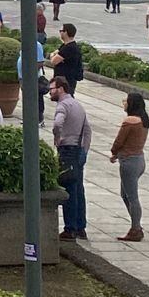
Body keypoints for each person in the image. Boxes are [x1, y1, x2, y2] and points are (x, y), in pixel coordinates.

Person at [51, 76, 92, 241]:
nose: (50, 93)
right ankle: (81, 226)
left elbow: (57, 124)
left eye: (52, 89)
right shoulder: (77, 105)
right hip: (78, 151)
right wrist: (84, 150)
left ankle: (70, 229)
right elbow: (88, 130)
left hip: (67, 151)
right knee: (78, 189)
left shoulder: (63, 106)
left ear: (61, 89)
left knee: (68, 189)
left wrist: (57, 138)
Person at [110, 92, 149, 242]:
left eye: (126, 101)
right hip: (139, 159)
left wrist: (114, 152)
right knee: (125, 193)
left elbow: (119, 141)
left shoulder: (130, 121)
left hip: (129, 161)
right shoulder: (144, 120)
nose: (124, 103)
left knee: (132, 197)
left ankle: (135, 228)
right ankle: (136, 224)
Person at [49, 23, 83, 96]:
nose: (60, 33)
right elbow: (55, 54)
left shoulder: (69, 48)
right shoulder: (65, 46)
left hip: (67, 81)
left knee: (66, 98)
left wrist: (52, 55)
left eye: (61, 31)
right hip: (62, 79)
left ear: (66, 32)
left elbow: (53, 61)